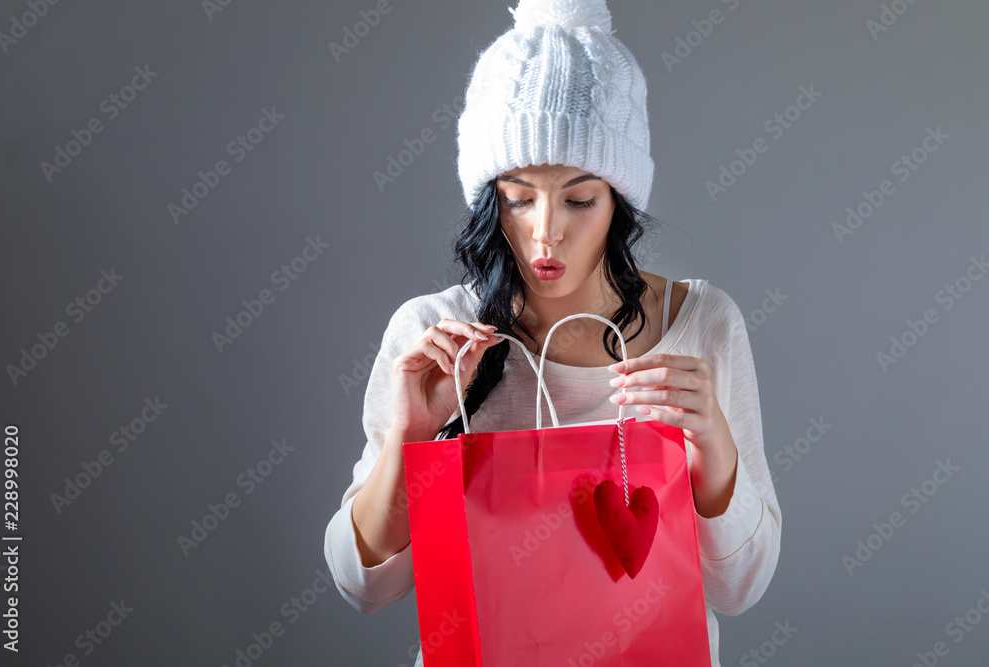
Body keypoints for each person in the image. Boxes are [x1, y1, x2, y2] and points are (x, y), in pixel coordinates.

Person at [324, 1, 782, 665]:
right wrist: (409, 439)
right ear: (488, 198)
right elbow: (364, 584)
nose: (546, 231)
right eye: (517, 196)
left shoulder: (701, 324)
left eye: (578, 198)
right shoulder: (435, 337)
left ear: (620, 199)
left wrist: (713, 447)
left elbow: (741, 587)